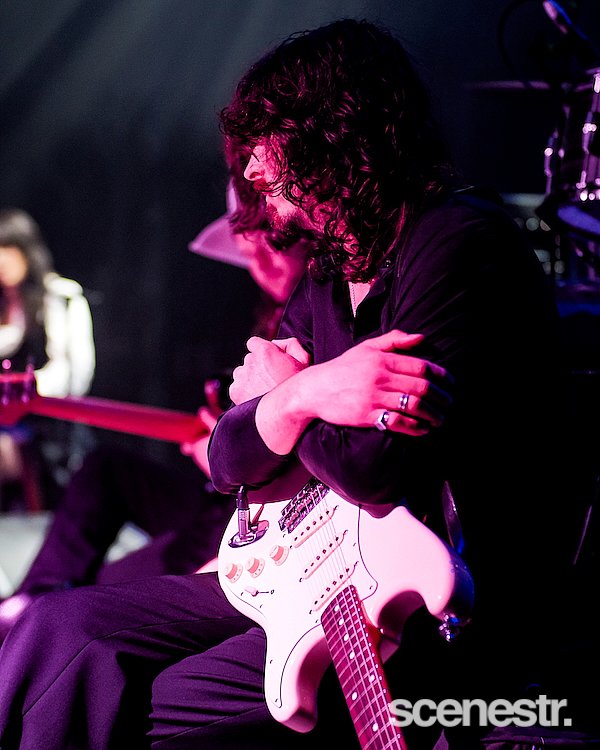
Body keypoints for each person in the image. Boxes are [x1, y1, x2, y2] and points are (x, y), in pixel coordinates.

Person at [0, 18, 581, 750]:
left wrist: (286, 402)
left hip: (420, 608)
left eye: (266, 154)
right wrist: (302, 395)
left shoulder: (460, 244)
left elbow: (377, 468)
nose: (254, 181)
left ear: (334, 136)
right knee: (58, 628)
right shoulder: (331, 274)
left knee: (125, 699)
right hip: (313, 572)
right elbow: (228, 458)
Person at [0, 192, 309, 643]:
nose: (260, 264)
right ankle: (29, 605)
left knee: (90, 600)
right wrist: (225, 448)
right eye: (247, 254)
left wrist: (235, 454)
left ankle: (37, 621)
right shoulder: (274, 320)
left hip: (267, 524)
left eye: (271, 245)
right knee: (106, 471)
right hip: (222, 504)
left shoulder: (326, 319)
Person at [0, 207, 95, 511]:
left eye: (8, 249)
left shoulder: (60, 296)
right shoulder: (5, 303)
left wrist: (18, 386)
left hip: (50, 435)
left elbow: (73, 376)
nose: (1, 260)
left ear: (26, 250)